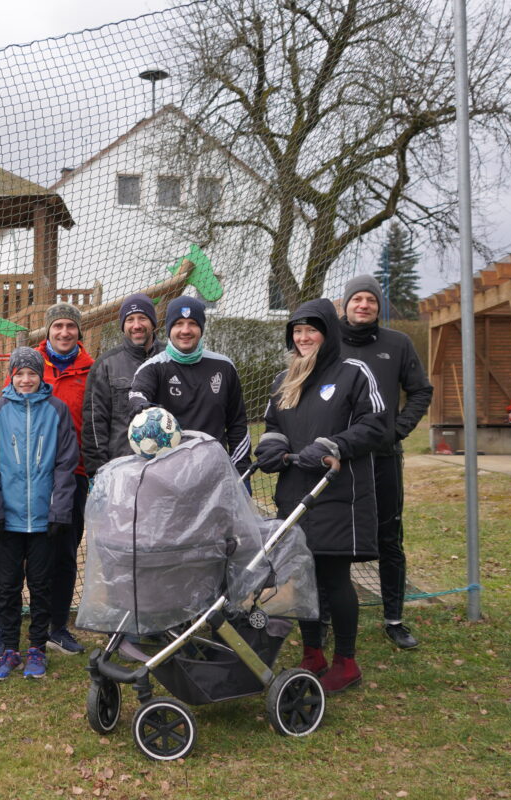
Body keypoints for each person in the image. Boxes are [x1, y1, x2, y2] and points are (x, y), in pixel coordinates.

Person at [254, 298, 386, 693]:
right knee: (302, 573)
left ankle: (346, 662)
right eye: (297, 331)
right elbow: (274, 422)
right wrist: (271, 448)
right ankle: (313, 653)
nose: (304, 337)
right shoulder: (285, 379)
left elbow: (377, 424)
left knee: (333, 576)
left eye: (311, 330)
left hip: (336, 492)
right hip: (295, 491)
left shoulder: (353, 373)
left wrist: (334, 445)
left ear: (327, 332)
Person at [338, 275, 433, 650]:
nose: (363, 305)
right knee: (337, 537)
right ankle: (329, 612)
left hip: (383, 459)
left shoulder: (398, 344)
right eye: (357, 299)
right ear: (345, 305)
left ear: (379, 306)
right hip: (341, 460)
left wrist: (397, 430)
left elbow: (421, 390)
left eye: (370, 300)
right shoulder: (329, 343)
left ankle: (394, 618)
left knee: (389, 538)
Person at [0, 347, 78, 680]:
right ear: (11, 375)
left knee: (40, 585)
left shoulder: (57, 410)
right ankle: (8, 648)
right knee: (6, 586)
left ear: (41, 375)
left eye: (31, 373)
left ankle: (36, 647)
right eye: (19, 373)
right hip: (8, 520)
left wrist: (59, 509)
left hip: (44, 521)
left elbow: (65, 464)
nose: (25, 379)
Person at [128, 295, 251, 476]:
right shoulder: (153, 368)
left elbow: (237, 423)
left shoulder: (224, 366)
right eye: (178, 324)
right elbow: (138, 394)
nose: (185, 330)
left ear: (201, 328)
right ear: (169, 328)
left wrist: (241, 472)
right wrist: (141, 406)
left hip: (214, 474)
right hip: (166, 476)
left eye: (192, 323)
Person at [33, 303, 95, 656]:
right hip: (33, 476)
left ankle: (58, 626)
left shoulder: (91, 370)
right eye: (57, 326)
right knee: (33, 550)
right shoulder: (29, 367)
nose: (64, 332)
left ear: (78, 332)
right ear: (48, 330)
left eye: (70, 326)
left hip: (75, 474)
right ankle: (33, 624)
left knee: (66, 552)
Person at [82, 293, 160, 477]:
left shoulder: (170, 359)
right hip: (121, 471)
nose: (136, 325)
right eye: (130, 319)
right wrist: (98, 472)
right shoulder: (106, 365)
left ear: (153, 323)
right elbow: (94, 424)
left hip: (166, 468)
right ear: (123, 325)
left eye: (142, 318)